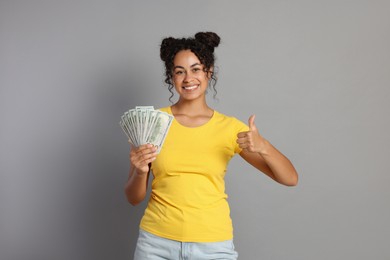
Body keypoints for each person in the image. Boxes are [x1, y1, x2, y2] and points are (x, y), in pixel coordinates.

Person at [125, 32, 298, 260]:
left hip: (213, 246)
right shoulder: (152, 122)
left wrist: (263, 145)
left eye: (196, 69)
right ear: (171, 77)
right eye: (179, 71)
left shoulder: (229, 128)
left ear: (209, 71)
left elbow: (290, 178)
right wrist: (140, 172)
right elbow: (133, 197)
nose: (188, 78)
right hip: (156, 244)